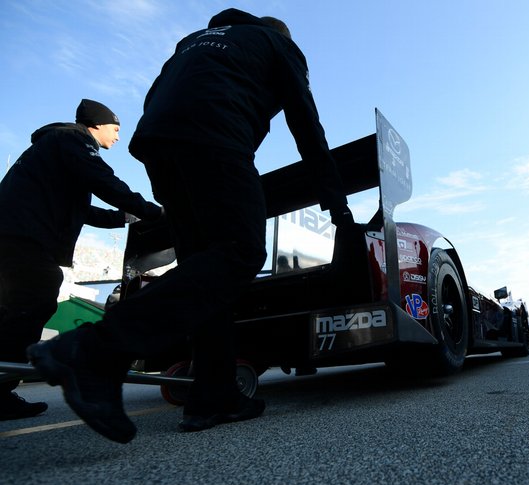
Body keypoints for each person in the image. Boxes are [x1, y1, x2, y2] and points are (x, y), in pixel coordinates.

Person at [27, 10, 354, 442]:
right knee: (240, 252)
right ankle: (91, 350)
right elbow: (307, 128)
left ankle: (213, 397)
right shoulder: (279, 44)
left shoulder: (193, 43)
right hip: (216, 136)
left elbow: (156, 96)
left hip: (160, 147)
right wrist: (339, 210)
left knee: (207, 269)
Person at [0, 99, 162, 420]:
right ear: (97, 125)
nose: (117, 136)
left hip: (17, 233)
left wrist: (129, 217)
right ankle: (3, 386)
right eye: (115, 129)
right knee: (37, 295)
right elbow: (105, 182)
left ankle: (3, 385)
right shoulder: (72, 140)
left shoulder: (58, 150)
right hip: (23, 234)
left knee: (23, 301)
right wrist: (156, 212)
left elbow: (85, 211)